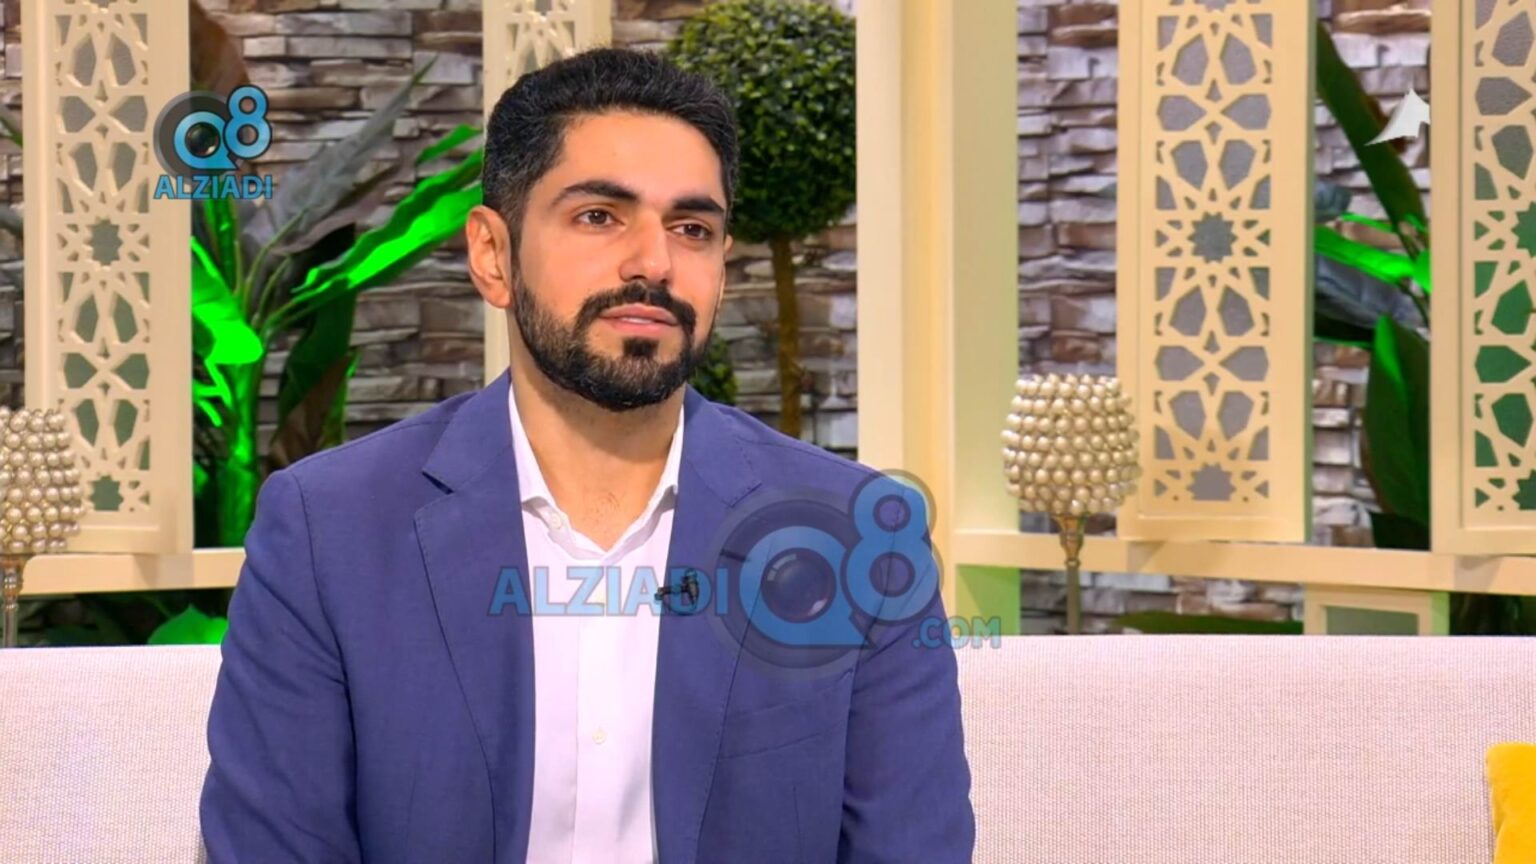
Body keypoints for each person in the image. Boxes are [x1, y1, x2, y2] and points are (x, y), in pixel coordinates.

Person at [199, 46, 975, 864]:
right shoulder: (329, 532)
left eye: (692, 228)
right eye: (599, 216)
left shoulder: (857, 539)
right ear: (492, 255)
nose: (654, 263)